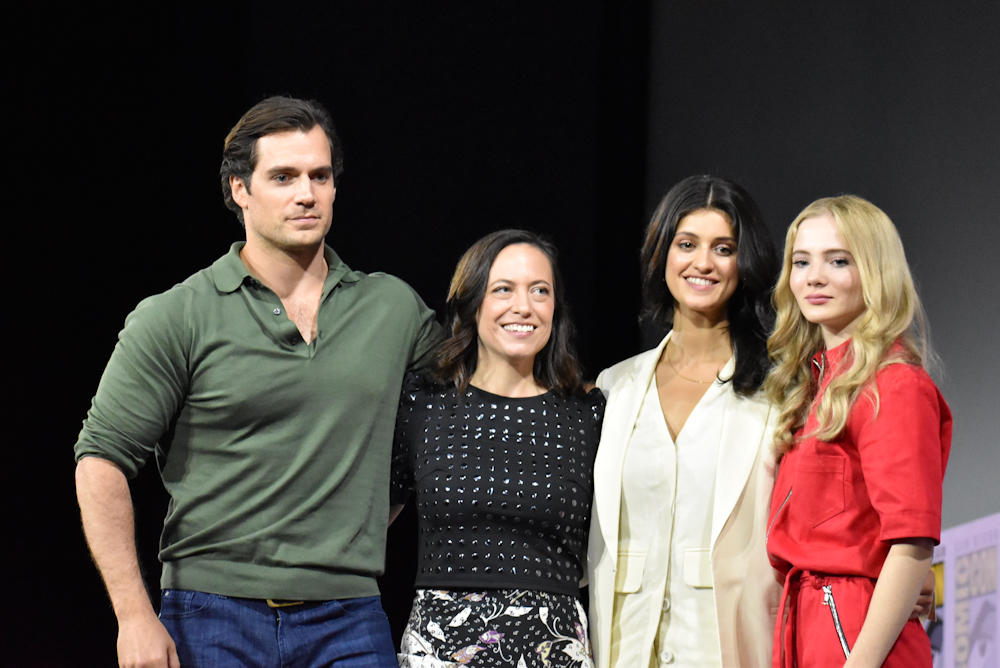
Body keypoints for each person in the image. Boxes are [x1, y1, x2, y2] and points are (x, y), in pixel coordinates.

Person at [74, 96, 440, 668]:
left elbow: (465, 413)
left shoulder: (392, 309)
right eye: (284, 177)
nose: (307, 194)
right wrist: (133, 616)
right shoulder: (178, 315)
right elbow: (101, 461)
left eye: (320, 176)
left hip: (350, 616)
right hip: (210, 614)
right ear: (240, 189)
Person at [587, 175, 784, 668]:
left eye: (724, 248)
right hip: (622, 649)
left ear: (745, 262)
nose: (703, 263)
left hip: (727, 648)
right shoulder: (614, 387)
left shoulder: (779, 391)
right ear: (663, 254)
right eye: (687, 244)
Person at [390, 229, 605, 668]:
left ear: (556, 308)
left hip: (553, 654)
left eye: (539, 291)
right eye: (503, 289)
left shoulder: (588, 415)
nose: (523, 306)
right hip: (441, 652)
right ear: (472, 303)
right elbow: (368, 524)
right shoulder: (423, 405)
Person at [764, 195, 951, 668]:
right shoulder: (811, 387)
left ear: (876, 271)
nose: (814, 277)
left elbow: (911, 545)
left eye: (838, 261)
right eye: (801, 262)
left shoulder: (895, 385)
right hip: (806, 629)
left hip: (857, 638)